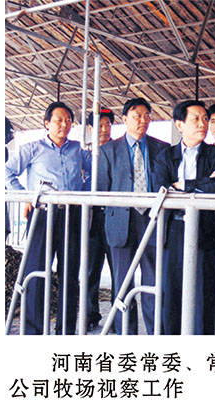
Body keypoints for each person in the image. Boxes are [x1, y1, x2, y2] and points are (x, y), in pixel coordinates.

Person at [5, 101, 91, 335]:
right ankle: (33, 331)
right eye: (58, 120)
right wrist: (26, 196)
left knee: (70, 273)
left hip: (71, 215)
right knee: (36, 271)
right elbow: (6, 171)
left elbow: (97, 170)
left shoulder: (78, 150)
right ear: (46, 123)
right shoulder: (33, 149)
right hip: (42, 215)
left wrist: (82, 193)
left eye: (68, 121)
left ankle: (66, 330)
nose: (64, 125)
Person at [153, 100, 215, 334]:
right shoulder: (165, 156)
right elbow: (162, 189)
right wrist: (203, 184)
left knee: (204, 288)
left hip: (206, 229)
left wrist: (184, 185)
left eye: (205, 119)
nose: (202, 124)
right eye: (195, 119)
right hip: (175, 229)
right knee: (173, 288)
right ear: (180, 125)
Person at [97, 98, 169, 335]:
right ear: (125, 119)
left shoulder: (162, 149)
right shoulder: (108, 150)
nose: (143, 120)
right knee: (122, 282)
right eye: (137, 116)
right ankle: (125, 334)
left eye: (147, 116)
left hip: (152, 220)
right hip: (121, 223)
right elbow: (102, 189)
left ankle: (156, 332)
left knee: (154, 281)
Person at [85, 108, 115, 331]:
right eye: (99, 126)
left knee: (119, 270)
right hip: (91, 219)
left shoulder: (119, 151)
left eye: (108, 125)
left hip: (115, 216)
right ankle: (89, 314)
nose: (104, 130)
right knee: (90, 269)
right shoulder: (84, 154)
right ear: (90, 128)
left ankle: (116, 317)